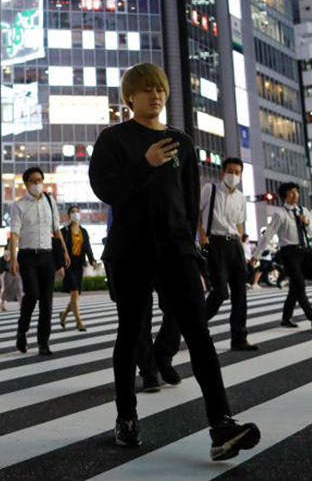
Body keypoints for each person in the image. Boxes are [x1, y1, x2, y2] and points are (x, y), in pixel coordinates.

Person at [89, 62, 259, 461]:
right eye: (147, 89)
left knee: (198, 332)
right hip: (130, 251)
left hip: (176, 251)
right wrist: (144, 164)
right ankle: (126, 417)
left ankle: (222, 424)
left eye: (160, 88)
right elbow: (107, 190)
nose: (156, 95)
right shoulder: (113, 139)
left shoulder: (183, 143)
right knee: (131, 332)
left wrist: (191, 251)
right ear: (130, 97)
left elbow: (186, 202)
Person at [9, 166, 70, 356]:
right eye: (33, 181)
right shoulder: (18, 205)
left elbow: (57, 229)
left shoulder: (50, 201)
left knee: (47, 302)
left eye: (39, 180)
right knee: (32, 294)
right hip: (27, 256)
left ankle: (43, 342)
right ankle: (22, 330)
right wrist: (13, 259)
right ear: (26, 183)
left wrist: (65, 252)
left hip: (47, 256)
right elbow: (14, 234)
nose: (37, 184)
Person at [199, 158, 257, 351]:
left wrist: (241, 244)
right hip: (215, 243)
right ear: (222, 172)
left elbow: (240, 223)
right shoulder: (210, 189)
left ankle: (239, 338)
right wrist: (202, 237)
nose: (234, 175)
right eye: (230, 171)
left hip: (235, 245)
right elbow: (196, 214)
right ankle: (196, 325)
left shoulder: (240, 197)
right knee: (221, 292)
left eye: (237, 172)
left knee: (240, 293)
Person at [254, 183, 312, 330]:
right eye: (291, 192)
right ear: (284, 196)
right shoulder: (280, 214)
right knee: (299, 284)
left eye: (296, 191)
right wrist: (257, 254)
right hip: (289, 253)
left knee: (294, 288)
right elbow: (268, 235)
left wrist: (306, 223)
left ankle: (286, 319)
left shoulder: (303, 211)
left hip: (304, 252)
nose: (295, 194)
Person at [59, 206, 97, 332]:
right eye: (72, 212)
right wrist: (60, 266)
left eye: (77, 212)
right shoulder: (64, 231)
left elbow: (87, 247)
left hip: (79, 265)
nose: (75, 214)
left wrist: (92, 260)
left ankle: (63, 316)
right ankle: (79, 322)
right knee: (74, 293)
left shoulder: (83, 231)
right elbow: (60, 249)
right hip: (68, 265)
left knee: (75, 296)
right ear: (69, 215)